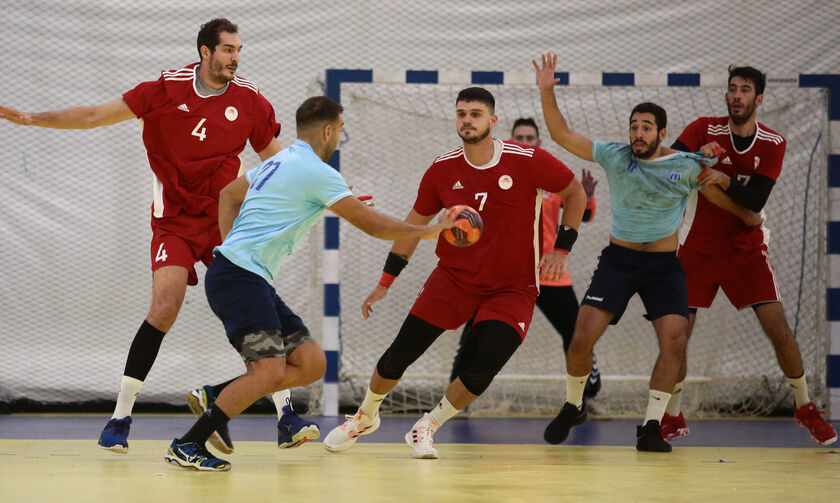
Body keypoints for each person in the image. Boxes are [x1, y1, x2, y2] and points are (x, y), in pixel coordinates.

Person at [0, 18, 311, 455]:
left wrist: (331, 193)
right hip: (174, 222)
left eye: (239, 50)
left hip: (225, 219)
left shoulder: (251, 100)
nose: (235, 58)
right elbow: (92, 116)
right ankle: (120, 417)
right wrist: (33, 119)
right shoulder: (165, 90)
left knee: (253, 302)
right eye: (227, 50)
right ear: (205, 52)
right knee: (164, 308)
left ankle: (286, 416)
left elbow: (277, 160)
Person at [164, 96, 457, 471]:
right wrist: (426, 230)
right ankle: (188, 443)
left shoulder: (282, 160)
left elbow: (228, 195)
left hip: (244, 277)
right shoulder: (318, 172)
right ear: (329, 130)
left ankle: (215, 395)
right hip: (239, 278)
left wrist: (231, 245)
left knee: (311, 362)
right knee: (268, 372)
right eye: (341, 130)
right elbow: (373, 225)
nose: (340, 137)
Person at [323, 87, 587, 459]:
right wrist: (385, 282)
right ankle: (365, 415)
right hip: (454, 278)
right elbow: (412, 226)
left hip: (512, 287)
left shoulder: (527, 159)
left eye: (475, 114)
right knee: (400, 354)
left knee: (488, 359)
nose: (467, 120)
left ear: (492, 121)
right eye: (462, 113)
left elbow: (575, 192)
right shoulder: (442, 169)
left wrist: (561, 250)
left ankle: (428, 425)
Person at [532, 53, 762, 452]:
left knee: (675, 341)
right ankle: (573, 405)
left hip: (663, 265)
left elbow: (714, 193)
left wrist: (747, 216)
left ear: (662, 133)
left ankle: (651, 426)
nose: (638, 134)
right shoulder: (615, 156)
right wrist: (546, 90)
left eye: (646, 128)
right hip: (618, 261)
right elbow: (562, 135)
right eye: (634, 127)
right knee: (581, 336)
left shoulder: (686, 165)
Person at [665, 65, 837, 445]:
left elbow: (756, 200)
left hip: (746, 248)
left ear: (758, 100)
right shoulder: (704, 130)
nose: (736, 95)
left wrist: (723, 180)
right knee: (678, 335)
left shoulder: (773, 143)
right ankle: (672, 413)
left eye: (744, 90)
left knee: (777, 326)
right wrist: (696, 157)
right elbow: (669, 167)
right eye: (731, 89)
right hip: (699, 246)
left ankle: (805, 406)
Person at [450, 118, 602, 403]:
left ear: (539, 143)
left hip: (549, 273)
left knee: (577, 333)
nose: (524, 141)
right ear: (510, 140)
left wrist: (589, 197)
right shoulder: (495, 179)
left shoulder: (554, 184)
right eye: (519, 136)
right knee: (473, 332)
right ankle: (454, 396)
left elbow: (582, 214)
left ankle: (586, 397)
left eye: (530, 137)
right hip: (503, 276)